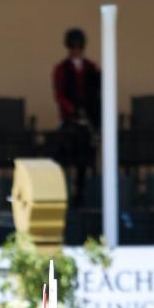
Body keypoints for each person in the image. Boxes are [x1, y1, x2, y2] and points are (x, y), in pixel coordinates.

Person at [52, 27, 101, 206]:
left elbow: (96, 93)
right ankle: (66, 191)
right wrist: (72, 110)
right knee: (65, 152)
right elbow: (60, 94)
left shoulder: (91, 67)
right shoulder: (61, 68)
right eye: (73, 46)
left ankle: (82, 191)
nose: (76, 50)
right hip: (69, 118)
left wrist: (89, 114)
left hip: (87, 118)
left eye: (78, 46)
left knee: (85, 156)